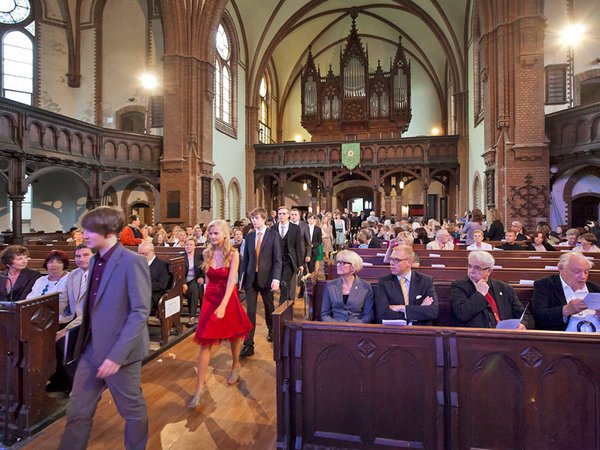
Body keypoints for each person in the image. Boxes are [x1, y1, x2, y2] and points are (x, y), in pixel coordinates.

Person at [58, 206, 151, 450]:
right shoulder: (95, 261)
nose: (84, 234)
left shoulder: (132, 262)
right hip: (90, 350)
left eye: (89, 230)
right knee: (77, 410)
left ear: (109, 231)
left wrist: (116, 356)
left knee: (132, 411)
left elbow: (139, 312)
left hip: (120, 353)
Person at [187, 220, 253, 409]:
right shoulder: (206, 253)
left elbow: (232, 281)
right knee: (204, 340)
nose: (212, 236)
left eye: (216, 233)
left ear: (225, 234)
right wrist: (205, 303)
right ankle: (199, 388)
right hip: (210, 297)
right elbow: (208, 280)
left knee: (233, 335)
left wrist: (223, 305)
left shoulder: (233, 254)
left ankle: (235, 365)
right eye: (210, 233)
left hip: (227, 296)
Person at [450, 250, 533, 329]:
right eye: (470, 266)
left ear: (489, 271)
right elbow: (462, 314)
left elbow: (524, 314)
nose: (471, 271)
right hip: (476, 338)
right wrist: (480, 294)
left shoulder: (504, 288)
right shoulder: (459, 286)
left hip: (504, 336)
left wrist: (523, 324)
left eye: (477, 268)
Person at [51, 244, 94, 393]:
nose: (81, 259)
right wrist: (50, 318)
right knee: (45, 337)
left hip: (95, 322)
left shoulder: (102, 275)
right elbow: (64, 301)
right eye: (78, 256)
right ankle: (60, 381)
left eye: (85, 255)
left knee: (63, 343)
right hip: (76, 319)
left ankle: (80, 387)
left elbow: (91, 311)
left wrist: (65, 330)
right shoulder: (74, 275)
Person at [239, 207, 281, 358]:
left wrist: (276, 278)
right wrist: (241, 279)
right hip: (251, 279)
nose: (253, 221)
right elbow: (245, 259)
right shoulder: (249, 237)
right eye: (252, 218)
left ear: (263, 218)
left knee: (269, 307)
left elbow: (277, 260)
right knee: (250, 312)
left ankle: (271, 329)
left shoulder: (273, 236)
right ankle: (248, 345)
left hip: (267, 278)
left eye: (256, 218)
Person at [532, 252, 600, 332]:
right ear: (561, 268)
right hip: (564, 339)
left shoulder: (595, 288)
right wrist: (566, 310)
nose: (583, 276)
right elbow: (539, 316)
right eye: (577, 271)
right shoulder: (545, 285)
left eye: (586, 271)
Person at [375, 245, 438, 325]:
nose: (391, 263)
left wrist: (402, 308)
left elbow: (432, 312)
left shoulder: (425, 280)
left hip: (421, 330)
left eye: (396, 260)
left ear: (409, 262)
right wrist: (419, 310)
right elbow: (383, 314)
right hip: (395, 330)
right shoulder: (384, 282)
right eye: (391, 259)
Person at [321, 250, 374, 323]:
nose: (338, 265)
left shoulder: (365, 286)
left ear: (353, 267)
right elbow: (325, 314)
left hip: (357, 327)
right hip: (335, 327)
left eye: (343, 263)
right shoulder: (330, 286)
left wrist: (354, 326)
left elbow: (369, 315)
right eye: (338, 262)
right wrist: (335, 325)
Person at [26, 250, 70, 323]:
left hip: (59, 321)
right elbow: (29, 300)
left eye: (59, 262)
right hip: (35, 318)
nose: (53, 265)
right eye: (50, 262)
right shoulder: (40, 280)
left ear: (64, 264)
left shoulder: (69, 279)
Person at [272, 206, 303, 303]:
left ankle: (281, 310)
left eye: (284, 214)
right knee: (282, 285)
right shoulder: (273, 228)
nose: (281, 216)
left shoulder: (295, 228)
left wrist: (300, 264)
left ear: (288, 215)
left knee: (284, 283)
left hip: (289, 261)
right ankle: (288, 301)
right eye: (280, 214)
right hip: (276, 262)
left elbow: (298, 247)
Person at [138, 242, 172, 315]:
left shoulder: (162, 265)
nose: (142, 256)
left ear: (152, 251)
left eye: (145, 254)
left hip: (153, 294)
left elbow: (162, 285)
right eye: (140, 254)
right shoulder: (136, 264)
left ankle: (139, 324)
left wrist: (143, 286)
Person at [182, 237, 205, 327]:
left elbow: (204, 268)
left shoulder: (199, 256)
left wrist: (202, 277)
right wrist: (183, 283)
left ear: (195, 246)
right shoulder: (181, 257)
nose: (189, 246)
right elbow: (178, 272)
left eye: (191, 245)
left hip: (194, 279)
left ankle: (192, 316)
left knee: (194, 289)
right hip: (183, 280)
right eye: (187, 245)